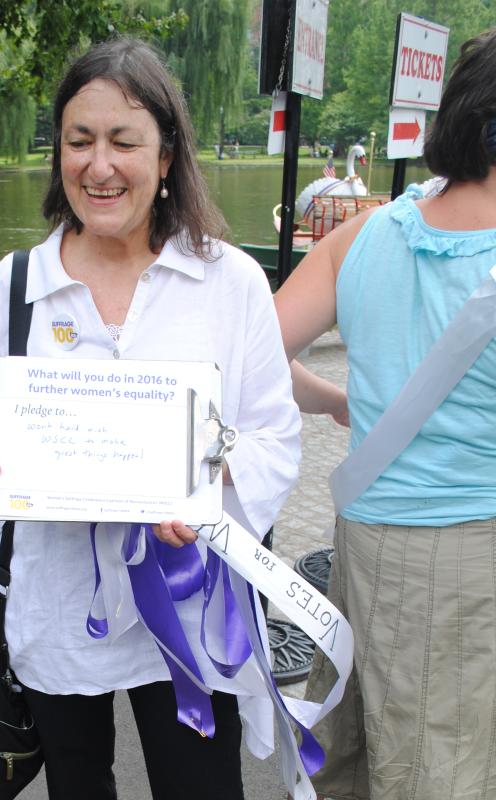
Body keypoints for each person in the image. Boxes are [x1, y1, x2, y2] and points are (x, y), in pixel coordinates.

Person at [0, 38, 301, 800]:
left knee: (202, 788)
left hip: (189, 600)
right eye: (79, 141)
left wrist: (201, 481)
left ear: (168, 154)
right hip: (57, 598)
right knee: (77, 786)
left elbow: (278, 436)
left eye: (123, 141)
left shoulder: (228, 281)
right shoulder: (16, 285)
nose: (98, 165)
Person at [274, 28, 496, 800]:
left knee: (352, 756)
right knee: (442, 771)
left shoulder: (365, 232)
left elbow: (253, 355)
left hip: (359, 542)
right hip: (470, 558)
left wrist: (336, 401)